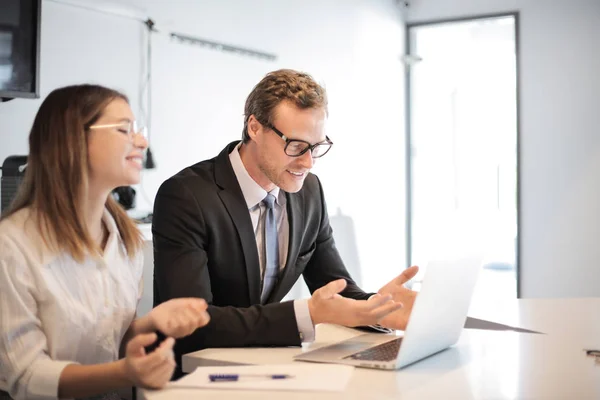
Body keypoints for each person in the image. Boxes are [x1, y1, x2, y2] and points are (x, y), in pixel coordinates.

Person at [152, 69, 419, 375]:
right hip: (192, 376)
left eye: (317, 147)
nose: (308, 163)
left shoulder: (309, 192)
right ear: (254, 127)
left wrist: (380, 308)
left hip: (264, 367)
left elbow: (335, 289)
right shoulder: (187, 196)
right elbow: (192, 324)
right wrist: (307, 313)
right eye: (295, 146)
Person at [0, 84, 211, 400]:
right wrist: (124, 373)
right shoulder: (12, 245)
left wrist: (149, 325)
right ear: (73, 138)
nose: (141, 141)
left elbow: (108, 342)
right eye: (125, 130)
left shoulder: (125, 240)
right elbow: (27, 375)